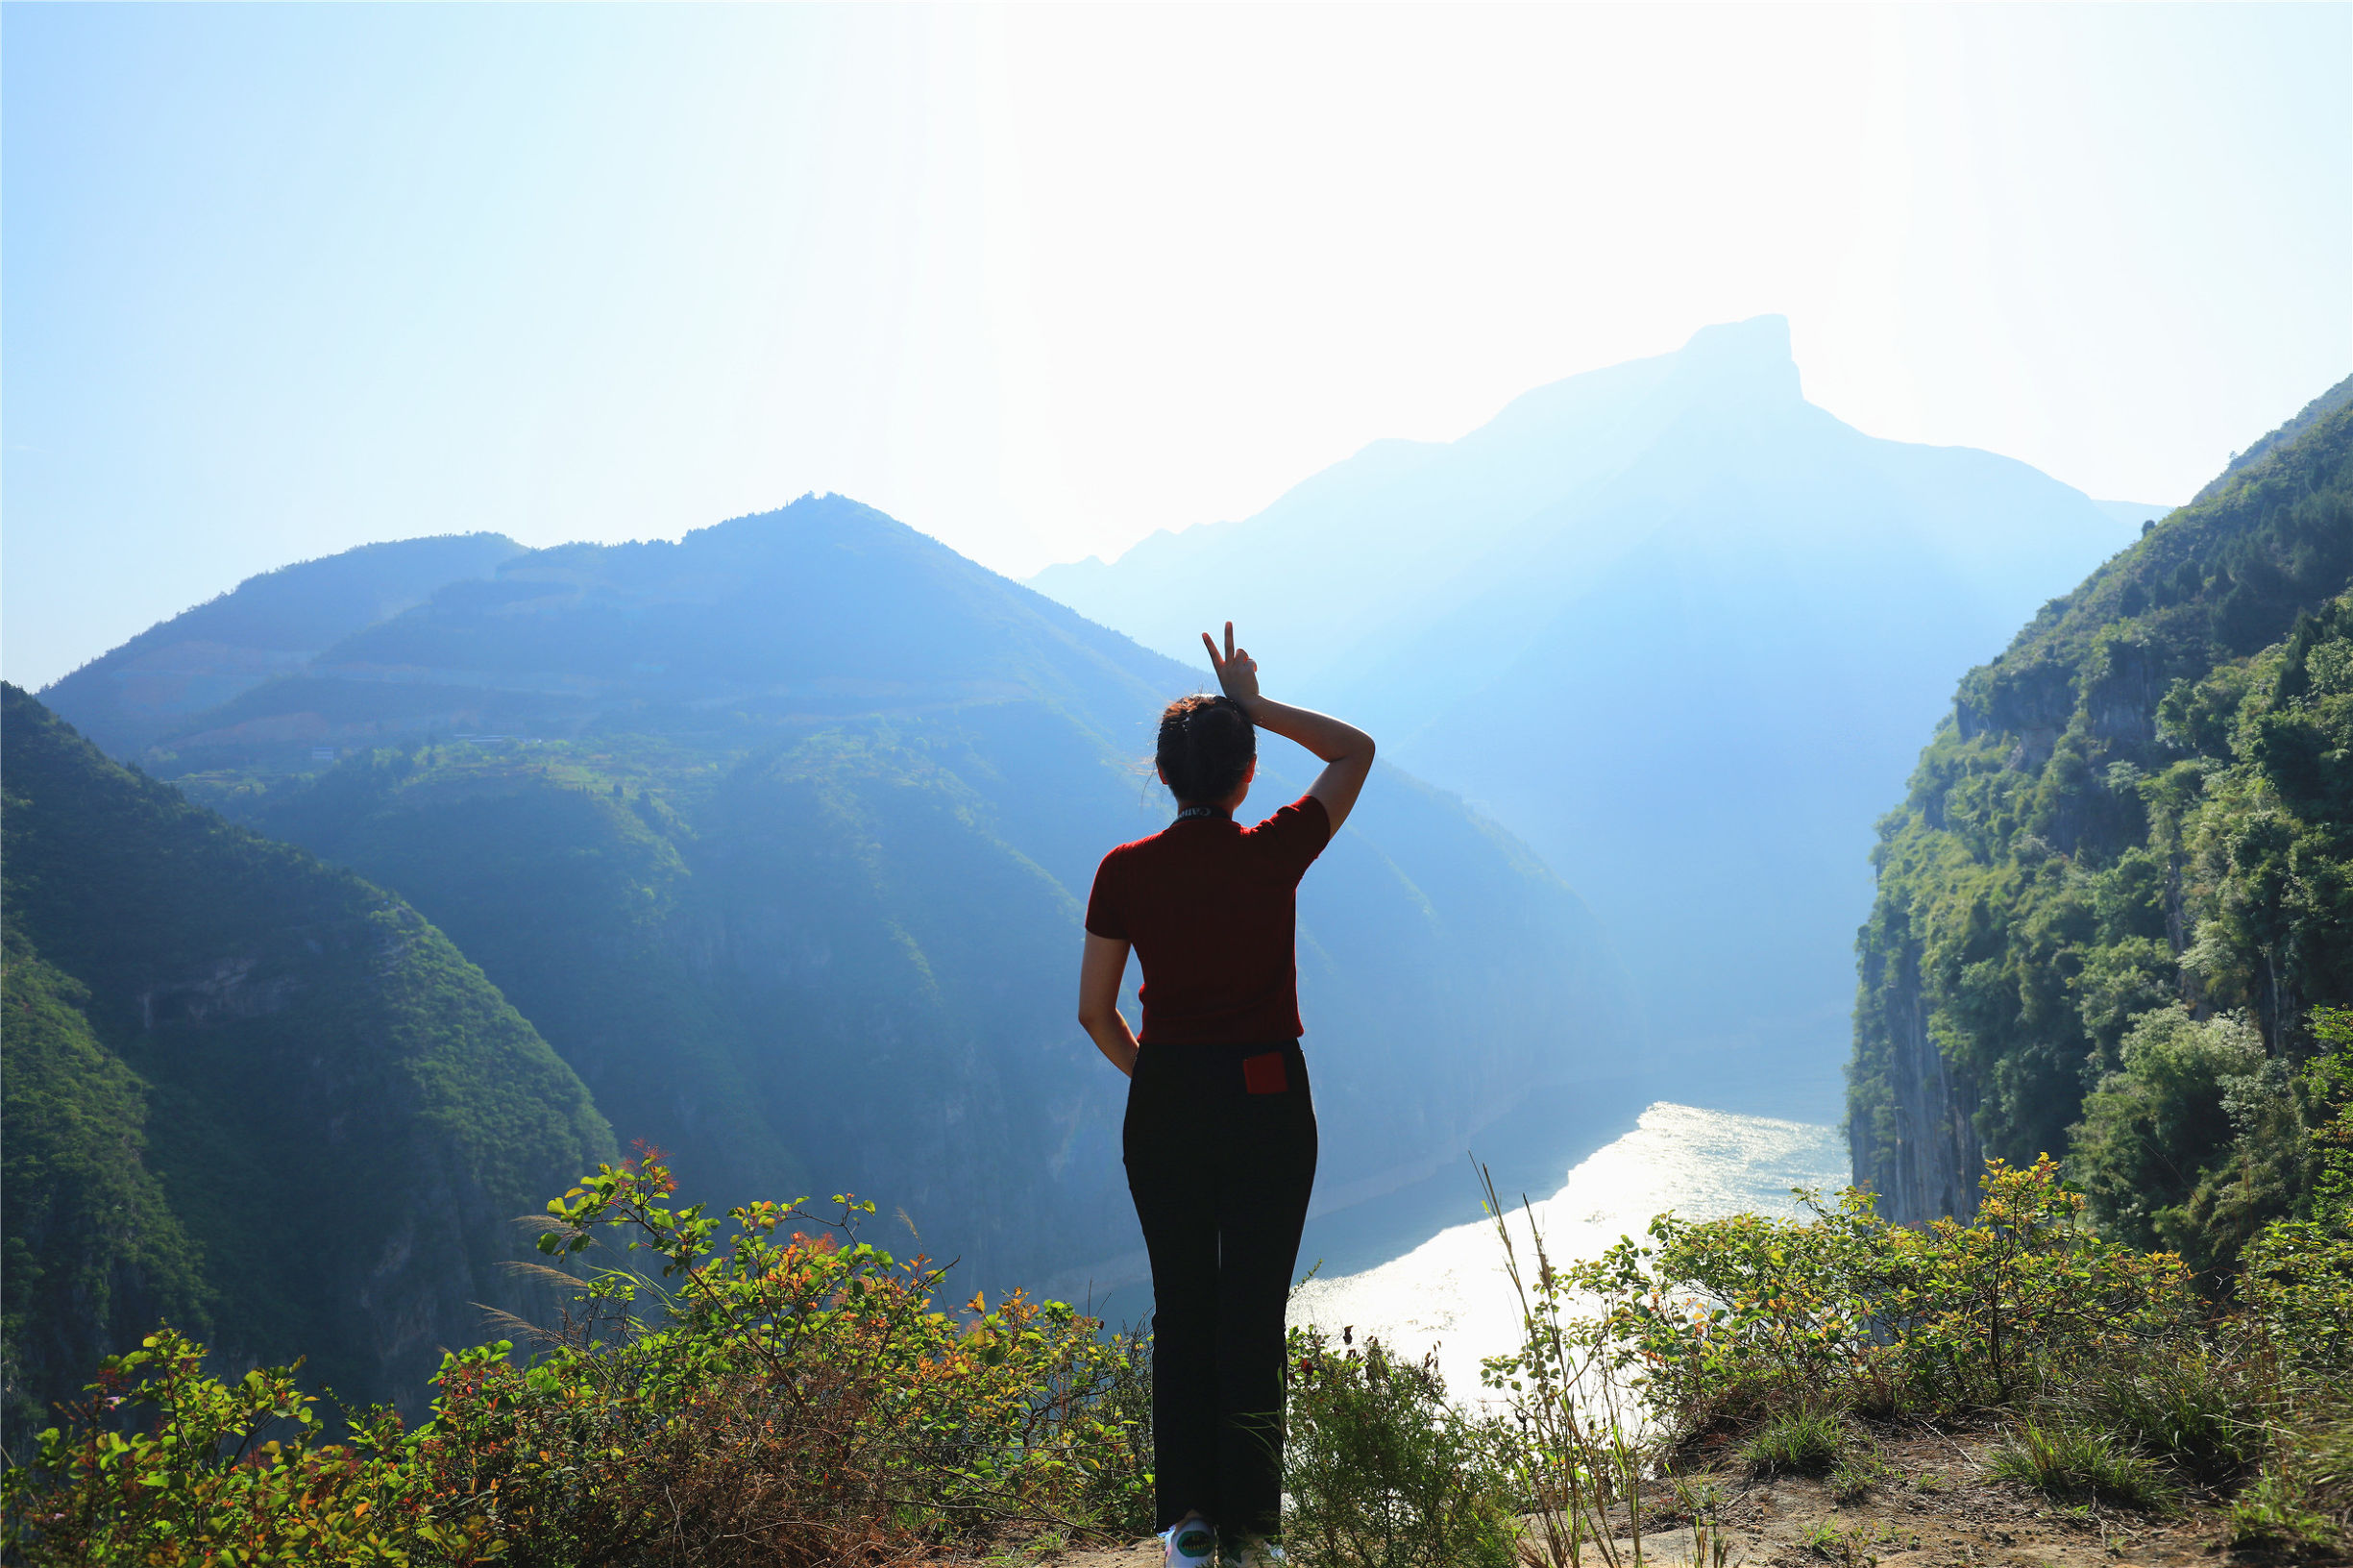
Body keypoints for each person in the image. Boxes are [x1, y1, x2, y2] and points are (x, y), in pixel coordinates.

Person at [1076, 623, 1376, 1568]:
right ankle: (1253, 1532)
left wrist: (1162, 1076)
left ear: (1164, 776)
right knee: (1252, 1310)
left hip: (1165, 1097)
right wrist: (1255, 703)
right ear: (1246, 776)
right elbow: (1354, 751)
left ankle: (1188, 1525)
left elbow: (1095, 1013)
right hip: (1266, 1098)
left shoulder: (1124, 871)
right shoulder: (1271, 851)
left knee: (1181, 1307)